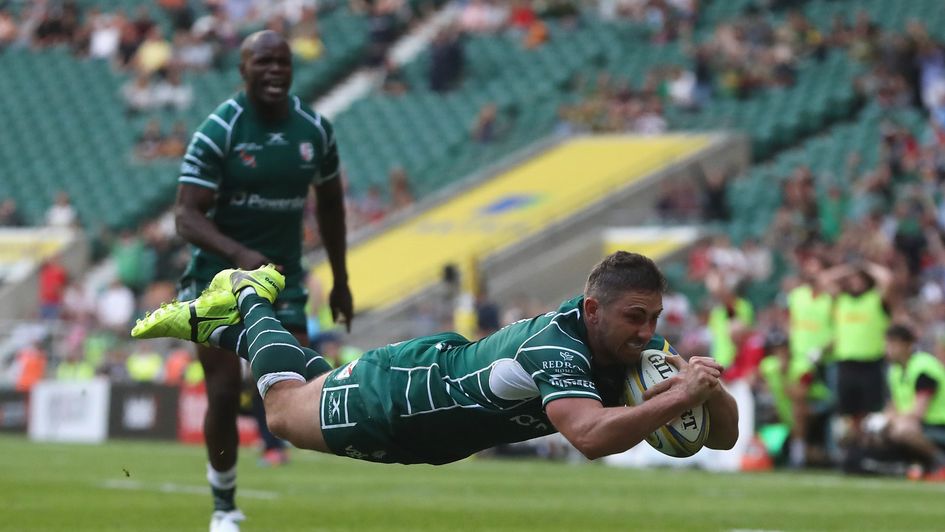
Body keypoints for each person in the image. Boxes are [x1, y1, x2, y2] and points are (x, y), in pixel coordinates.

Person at [133, 252, 738, 469]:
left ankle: (221, 329)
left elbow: (720, 438)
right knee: (285, 412)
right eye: (636, 316)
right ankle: (248, 296)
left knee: (313, 381)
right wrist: (678, 399)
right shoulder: (556, 346)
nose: (648, 331)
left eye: (655, 317)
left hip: (433, 425)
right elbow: (588, 436)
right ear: (594, 309)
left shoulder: (638, 353)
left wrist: (709, 391)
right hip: (405, 398)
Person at [173, 30, 352, 532]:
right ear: (243, 69)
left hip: (281, 282)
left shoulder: (314, 130)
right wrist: (238, 254)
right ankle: (224, 505)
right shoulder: (221, 129)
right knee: (223, 390)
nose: (275, 70)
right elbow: (185, 215)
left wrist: (340, 280)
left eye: (283, 62)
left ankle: (283, 451)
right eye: (263, 62)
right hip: (216, 280)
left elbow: (332, 206)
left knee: (288, 387)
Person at [881, 324, 945, 480]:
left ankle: (941, 462)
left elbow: (918, 412)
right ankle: (916, 466)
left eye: (892, 344)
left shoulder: (924, 367)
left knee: (904, 431)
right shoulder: (895, 371)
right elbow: (892, 406)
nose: (888, 349)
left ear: (907, 345)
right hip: (922, 425)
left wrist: (894, 421)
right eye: (887, 344)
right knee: (880, 429)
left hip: (938, 425)